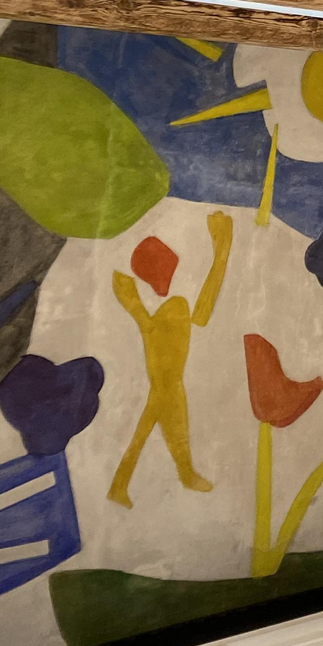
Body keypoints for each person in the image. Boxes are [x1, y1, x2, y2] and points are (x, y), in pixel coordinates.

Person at [107, 211, 233, 508]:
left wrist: (221, 249)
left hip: (166, 373)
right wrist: (222, 250)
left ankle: (126, 482)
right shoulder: (174, 304)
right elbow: (201, 314)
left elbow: (153, 324)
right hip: (167, 374)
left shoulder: (162, 301)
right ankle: (174, 475)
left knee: (158, 412)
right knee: (165, 407)